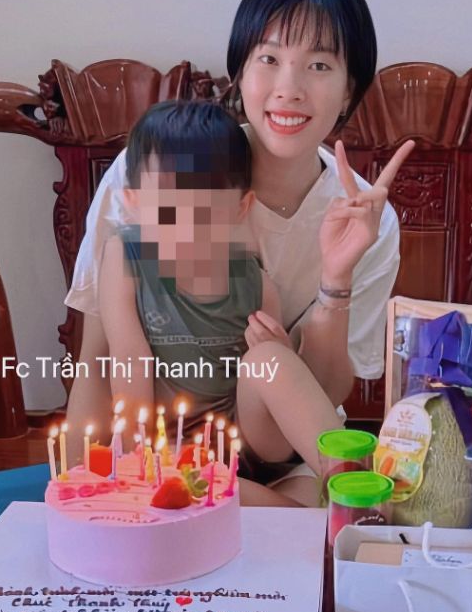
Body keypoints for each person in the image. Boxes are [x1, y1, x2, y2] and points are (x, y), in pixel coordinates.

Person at [66, 0, 414, 503]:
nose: (289, 89)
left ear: (350, 91)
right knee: (244, 520)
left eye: (319, 66)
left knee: (267, 364)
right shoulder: (155, 177)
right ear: (240, 72)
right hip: (166, 448)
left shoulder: (365, 220)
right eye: (269, 58)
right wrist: (76, 488)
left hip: (283, 448)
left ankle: (332, 507)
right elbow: (100, 352)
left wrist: (335, 280)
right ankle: (253, 508)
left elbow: (324, 390)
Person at [100, 99, 348, 505]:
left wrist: (280, 353)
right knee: (196, 485)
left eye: (204, 215)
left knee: (269, 360)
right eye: (166, 213)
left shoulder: (256, 283)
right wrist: (138, 455)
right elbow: (129, 356)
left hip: (251, 444)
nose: (185, 231)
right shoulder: (125, 259)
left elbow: (273, 388)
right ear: (132, 205)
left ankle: (350, 479)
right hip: (174, 452)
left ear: (239, 208)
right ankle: (308, 516)